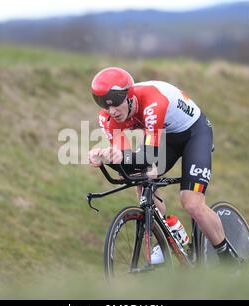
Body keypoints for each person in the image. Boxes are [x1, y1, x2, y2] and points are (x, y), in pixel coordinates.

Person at [88, 66, 240, 265]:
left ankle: (230, 259)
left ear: (130, 96)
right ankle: (169, 226)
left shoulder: (153, 102)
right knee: (139, 178)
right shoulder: (107, 117)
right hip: (166, 137)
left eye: (116, 104)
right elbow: (123, 157)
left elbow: (149, 156)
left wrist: (119, 158)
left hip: (194, 134)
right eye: (105, 106)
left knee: (192, 203)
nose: (112, 111)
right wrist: (105, 157)